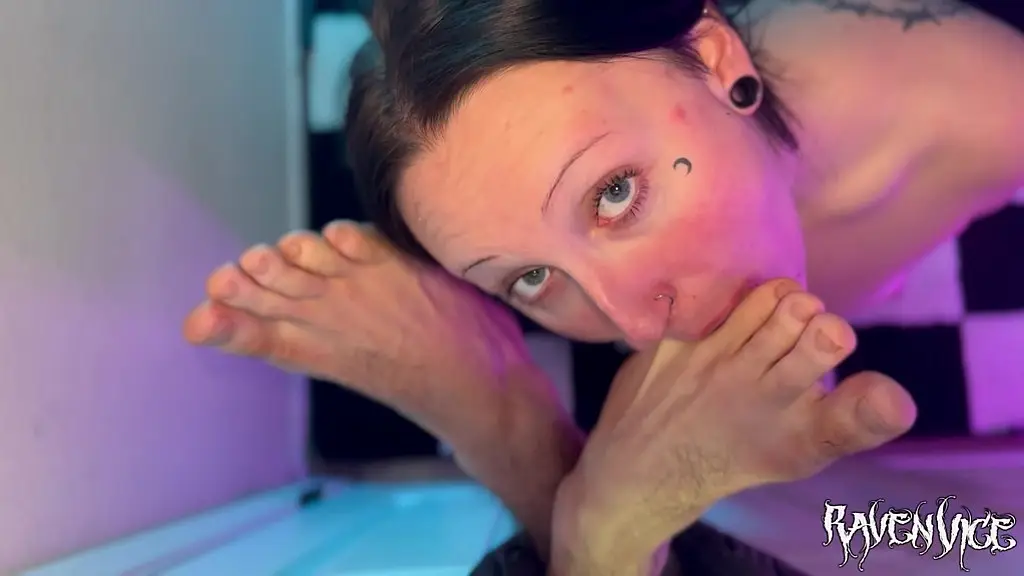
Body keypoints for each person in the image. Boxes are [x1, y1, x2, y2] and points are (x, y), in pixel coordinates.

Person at [183, 0, 1022, 573]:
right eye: (531, 278)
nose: (632, 325)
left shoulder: (988, 100)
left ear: (715, 59)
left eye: (615, 193)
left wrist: (587, 512)